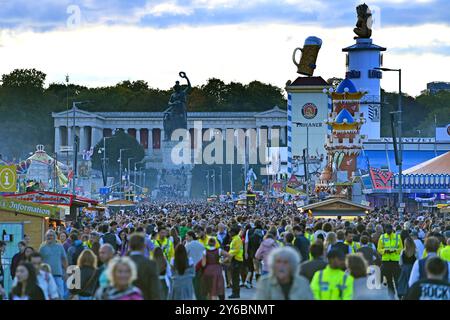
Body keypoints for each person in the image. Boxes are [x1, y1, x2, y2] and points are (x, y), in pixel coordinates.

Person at [128, 233, 161, 300]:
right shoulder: (150, 264)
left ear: (130, 246)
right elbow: (155, 289)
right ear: (144, 246)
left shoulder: (122, 263)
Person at [39, 229, 68, 299]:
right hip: (46, 276)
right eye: (48, 235)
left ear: (55, 236)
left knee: (60, 295)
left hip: (58, 275)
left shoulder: (60, 246)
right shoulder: (42, 248)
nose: (49, 237)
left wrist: (66, 272)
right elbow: (38, 261)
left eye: (51, 235)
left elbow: (64, 259)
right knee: (46, 296)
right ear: (46, 237)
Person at [377, 224, 403, 298]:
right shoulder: (382, 237)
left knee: (397, 279)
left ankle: (399, 294)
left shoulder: (397, 237)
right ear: (385, 230)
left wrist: (395, 250)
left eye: (389, 229)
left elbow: (401, 248)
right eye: (387, 229)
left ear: (392, 229)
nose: (388, 230)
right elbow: (379, 249)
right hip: (386, 261)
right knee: (389, 279)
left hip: (395, 260)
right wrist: (385, 251)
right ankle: (391, 295)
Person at [185, 230, 206, 300]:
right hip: (202, 267)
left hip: (193, 268)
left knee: (196, 286)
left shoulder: (188, 245)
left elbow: (184, 256)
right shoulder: (201, 244)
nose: (186, 238)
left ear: (191, 237)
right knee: (202, 285)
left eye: (187, 236)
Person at [227, 225, 244, 299]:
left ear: (234, 232)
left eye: (230, 231)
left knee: (235, 278)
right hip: (236, 259)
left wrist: (227, 257)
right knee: (235, 277)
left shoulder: (236, 239)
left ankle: (235, 293)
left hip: (236, 259)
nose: (229, 232)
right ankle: (235, 292)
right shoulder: (235, 238)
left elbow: (235, 251)